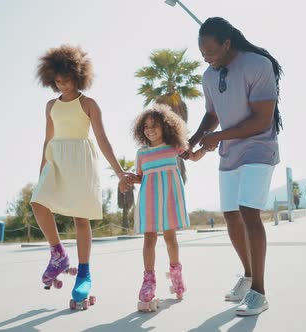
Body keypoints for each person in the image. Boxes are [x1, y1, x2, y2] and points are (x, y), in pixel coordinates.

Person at [181, 17, 283, 316]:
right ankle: (248, 276)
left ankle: (259, 293)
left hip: (259, 148)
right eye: (202, 53)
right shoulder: (208, 76)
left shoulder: (258, 65)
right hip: (230, 152)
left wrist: (217, 137)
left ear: (227, 44)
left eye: (211, 51)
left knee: (249, 211)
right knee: (230, 216)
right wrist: (195, 139)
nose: (206, 58)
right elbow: (212, 114)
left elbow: (262, 120)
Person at [30, 45, 129, 309]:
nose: (62, 84)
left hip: (81, 161)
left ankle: (84, 272)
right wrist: (42, 170)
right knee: (37, 203)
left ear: (78, 75)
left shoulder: (88, 104)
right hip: (56, 160)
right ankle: (58, 254)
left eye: (67, 79)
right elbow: (47, 139)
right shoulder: (50, 105)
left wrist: (119, 172)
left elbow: (103, 139)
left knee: (80, 219)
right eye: (58, 80)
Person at [119, 105, 210, 312]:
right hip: (149, 199)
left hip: (169, 197)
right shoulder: (141, 153)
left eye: (155, 126)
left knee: (170, 238)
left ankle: (176, 275)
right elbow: (141, 177)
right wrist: (129, 179)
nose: (150, 130)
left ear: (166, 127)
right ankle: (148, 280)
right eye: (146, 127)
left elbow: (193, 157)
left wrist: (205, 148)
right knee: (149, 238)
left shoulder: (173, 147)